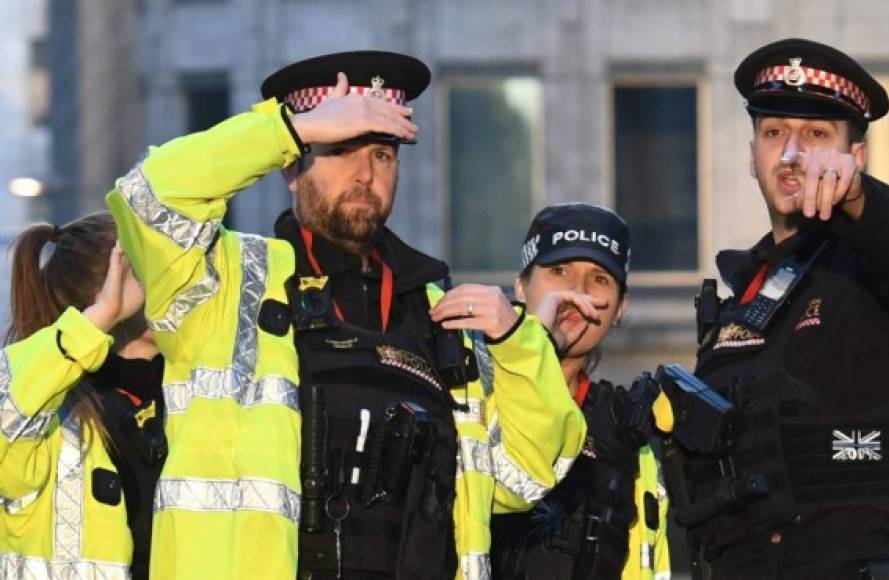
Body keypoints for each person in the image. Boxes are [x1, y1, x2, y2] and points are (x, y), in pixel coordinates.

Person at [105, 50, 586, 579]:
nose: (364, 174)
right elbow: (148, 196)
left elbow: (525, 476)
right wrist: (290, 128)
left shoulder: (440, 316)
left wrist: (519, 342)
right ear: (292, 166)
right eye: (340, 149)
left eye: (382, 154)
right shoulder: (223, 280)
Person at [671, 38, 889, 579]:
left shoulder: (879, 264)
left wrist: (860, 198)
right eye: (774, 133)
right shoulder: (736, 308)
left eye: (817, 135)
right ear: (753, 156)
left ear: (856, 158)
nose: (792, 154)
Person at [490, 203, 671, 580]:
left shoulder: (628, 430)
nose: (578, 292)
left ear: (620, 307)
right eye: (559, 271)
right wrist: (531, 347)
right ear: (520, 287)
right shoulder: (471, 389)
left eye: (600, 279)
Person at [0, 213, 165, 579]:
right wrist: (100, 319)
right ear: (105, 292)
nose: (176, 283)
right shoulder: (51, 420)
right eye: (155, 269)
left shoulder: (190, 394)